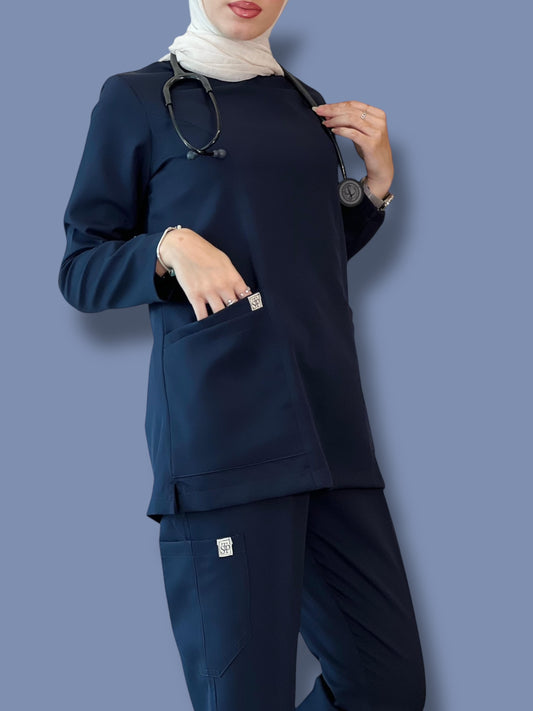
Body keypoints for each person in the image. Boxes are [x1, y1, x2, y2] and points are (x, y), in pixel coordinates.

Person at [58, 1, 426, 709]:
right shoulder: (136, 99)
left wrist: (374, 188)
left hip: (332, 436)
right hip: (226, 442)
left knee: (387, 686)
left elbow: (302, 264)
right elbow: (80, 269)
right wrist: (167, 247)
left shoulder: (304, 105)